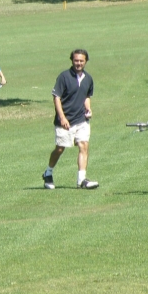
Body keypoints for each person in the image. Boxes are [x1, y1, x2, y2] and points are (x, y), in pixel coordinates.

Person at [42, 49, 99, 190]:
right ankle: (48, 173)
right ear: (72, 60)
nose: (78, 63)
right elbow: (56, 98)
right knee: (60, 149)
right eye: (76, 60)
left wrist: (88, 109)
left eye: (81, 60)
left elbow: (86, 96)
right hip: (65, 121)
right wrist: (62, 118)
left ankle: (81, 180)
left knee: (83, 146)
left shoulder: (88, 78)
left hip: (81, 120)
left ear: (86, 61)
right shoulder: (64, 77)